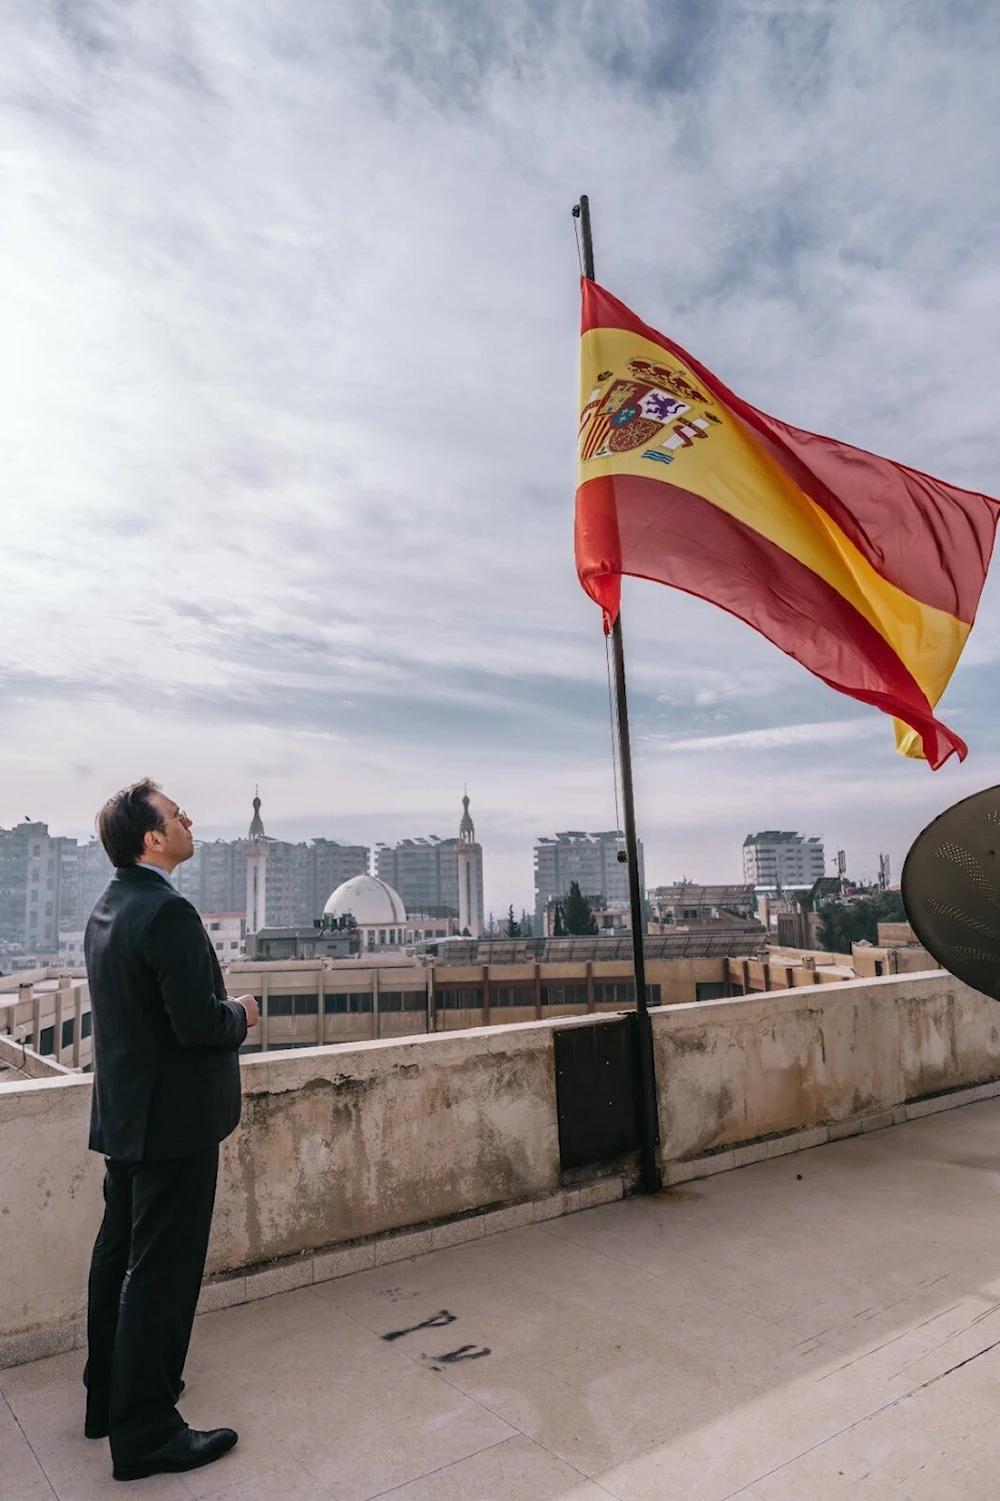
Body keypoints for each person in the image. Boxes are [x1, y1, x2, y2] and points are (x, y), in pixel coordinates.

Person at [82, 779, 259, 1483]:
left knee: (118, 1257)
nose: (188, 819)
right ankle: (148, 1428)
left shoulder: (108, 907)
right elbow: (198, 1025)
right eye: (175, 813)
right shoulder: (168, 913)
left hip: (126, 1116)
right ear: (152, 838)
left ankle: (108, 1400)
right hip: (175, 1125)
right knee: (160, 1272)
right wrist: (242, 1013)